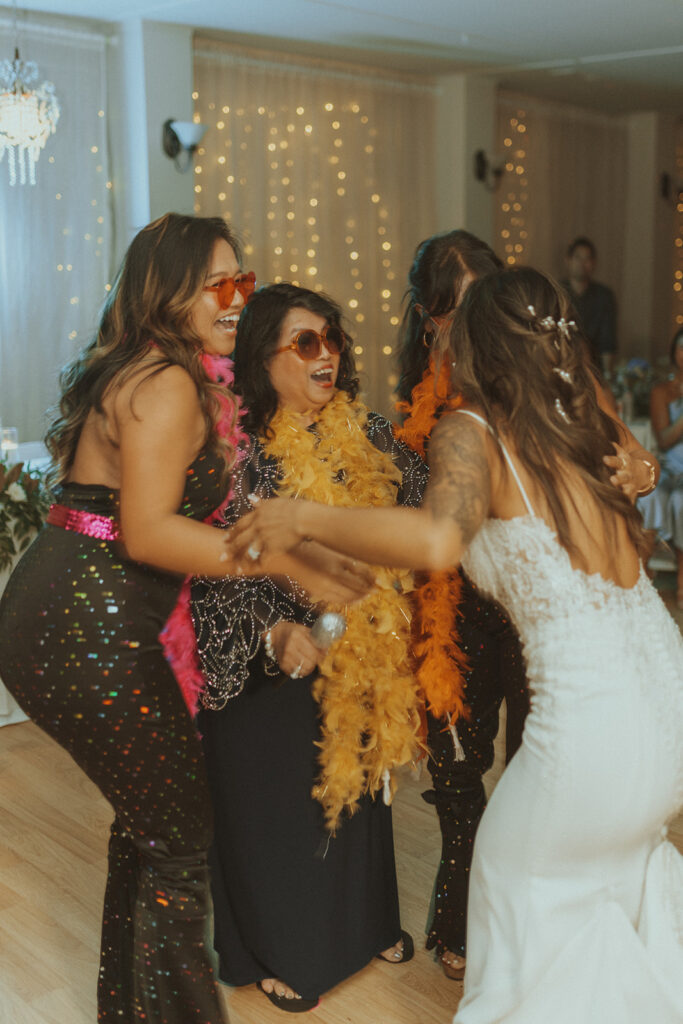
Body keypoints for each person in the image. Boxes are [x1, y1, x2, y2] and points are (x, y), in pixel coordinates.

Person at [227, 266, 682, 1024]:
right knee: (611, 882)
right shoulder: (579, 413)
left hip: (593, 731)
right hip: (667, 706)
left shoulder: (471, 430)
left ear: (472, 344)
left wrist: (300, 517)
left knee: (511, 878)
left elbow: (438, 537)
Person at [0, 214, 369, 1024]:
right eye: (218, 282)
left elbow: (207, 514)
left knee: (152, 828)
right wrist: (285, 560)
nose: (239, 297)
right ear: (169, 289)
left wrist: (304, 548)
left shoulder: (162, 370)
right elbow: (150, 531)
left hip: (73, 608)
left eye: (243, 279)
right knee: (176, 840)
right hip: (87, 620)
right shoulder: (165, 383)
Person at [190, 282, 426, 1012]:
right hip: (267, 672)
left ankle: (363, 926)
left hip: (355, 658)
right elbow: (202, 575)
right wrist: (273, 633)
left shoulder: (368, 430)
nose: (327, 354)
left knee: (358, 800)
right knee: (286, 811)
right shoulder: (232, 454)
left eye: (331, 339)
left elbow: (418, 503)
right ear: (263, 360)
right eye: (305, 342)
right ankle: (278, 948)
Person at [394, 229, 529, 981]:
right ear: (427, 317)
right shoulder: (412, 418)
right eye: (458, 308)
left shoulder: (529, 392)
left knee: (536, 771)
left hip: (528, 604)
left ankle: (526, 918)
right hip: (452, 613)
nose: (473, 324)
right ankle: (459, 919)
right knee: (457, 780)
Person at [639, 326, 683, 607]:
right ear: (673, 353)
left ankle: (681, 584)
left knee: (682, 502)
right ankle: (642, 572)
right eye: (682, 348)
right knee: (651, 495)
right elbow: (664, 440)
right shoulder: (662, 391)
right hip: (671, 465)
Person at [562, 235, 617, 374]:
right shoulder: (558, 292)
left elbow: (607, 340)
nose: (582, 263)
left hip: (593, 366)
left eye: (587, 258)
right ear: (568, 260)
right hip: (562, 362)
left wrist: (607, 375)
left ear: (594, 263)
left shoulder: (603, 296)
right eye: (578, 257)